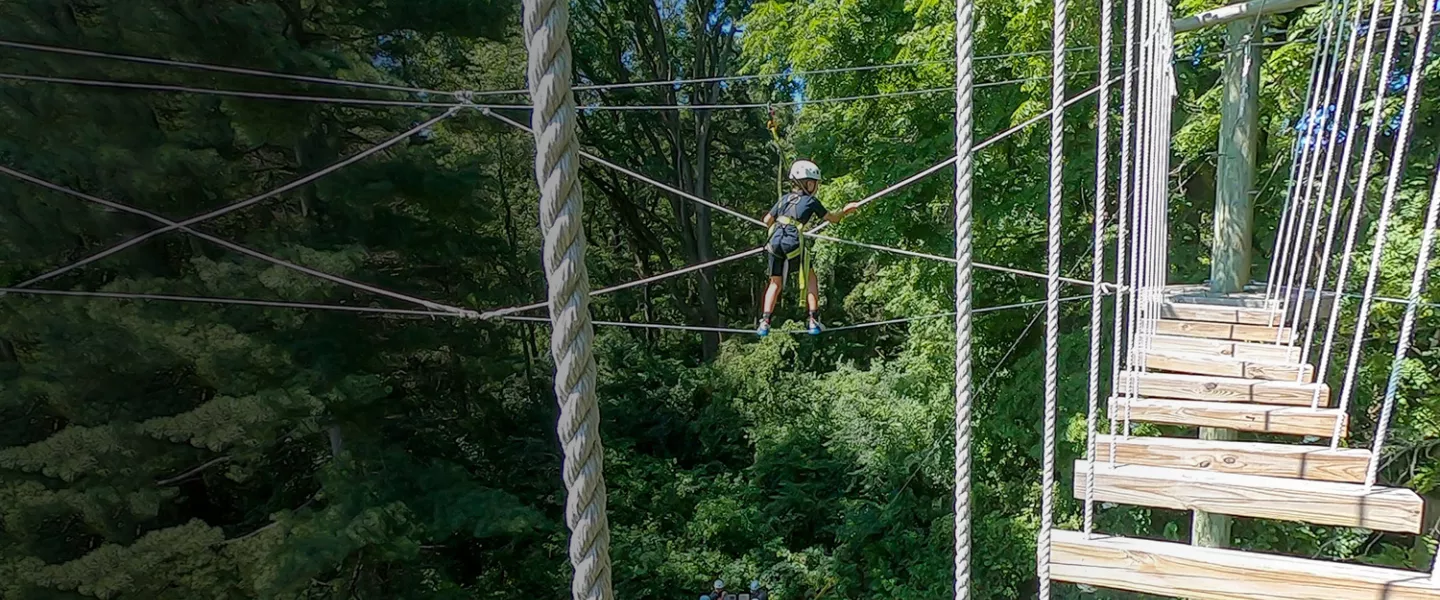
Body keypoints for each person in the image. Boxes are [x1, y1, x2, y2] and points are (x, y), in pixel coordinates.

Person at [757, 160, 860, 336]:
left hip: (774, 242)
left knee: (775, 282)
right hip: (792, 242)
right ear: (808, 183)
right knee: (811, 278)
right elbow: (833, 219)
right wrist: (846, 210)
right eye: (815, 183)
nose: (816, 187)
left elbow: (767, 221)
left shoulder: (783, 199)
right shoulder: (811, 201)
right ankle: (813, 320)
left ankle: (764, 323)